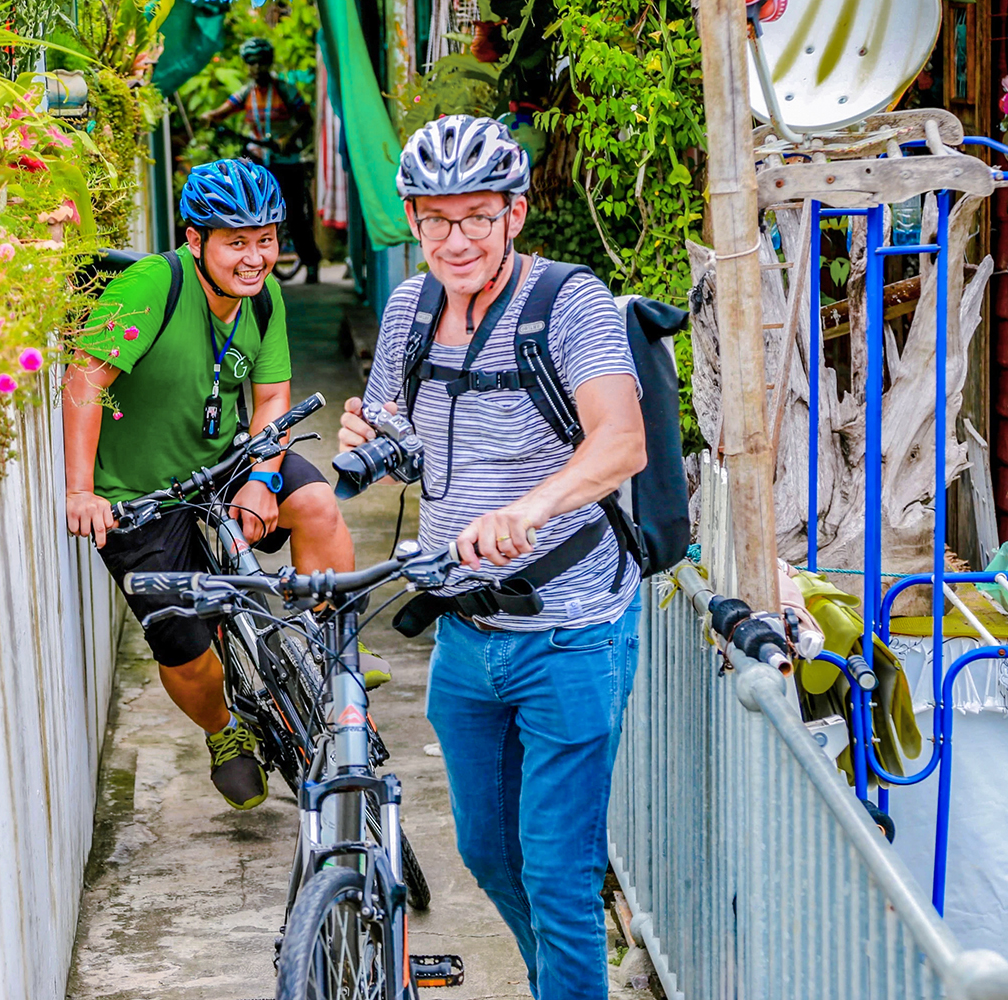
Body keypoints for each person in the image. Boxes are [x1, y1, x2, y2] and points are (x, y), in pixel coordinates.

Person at [337, 116, 648, 1000]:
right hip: (464, 632)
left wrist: (531, 507)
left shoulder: (568, 301)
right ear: (413, 218)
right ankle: (562, 976)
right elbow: (402, 434)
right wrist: (371, 437)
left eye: (477, 217)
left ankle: (567, 978)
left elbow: (621, 443)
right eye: (435, 220)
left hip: (571, 631)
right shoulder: (410, 306)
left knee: (557, 870)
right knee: (485, 851)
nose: (455, 240)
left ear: (514, 213)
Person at [64, 159, 354, 811]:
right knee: (189, 650)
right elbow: (86, 378)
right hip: (138, 492)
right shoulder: (149, 287)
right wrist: (81, 491)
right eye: (236, 241)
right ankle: (225, 734)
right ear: (195, 241)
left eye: (266, 239)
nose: (255, 258)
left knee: (313, 503)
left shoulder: (264, 297)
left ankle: (332, 658)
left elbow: (272, 392)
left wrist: (261, 475)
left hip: (224, 458)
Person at [202, 37, 321, 284]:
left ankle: (311, 263)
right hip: (259, 162)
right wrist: (210, 116)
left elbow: (306, 119)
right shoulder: (247, 93)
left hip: (286, 161)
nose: (257, 69)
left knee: (295, 215)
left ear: (269, 63)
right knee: (255, 215)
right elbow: (223, 110)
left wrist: (289, 137)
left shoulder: (284, 90)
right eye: (252, 64)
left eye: (262, 63)